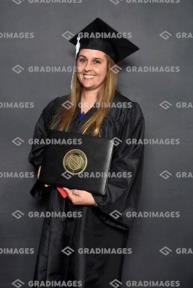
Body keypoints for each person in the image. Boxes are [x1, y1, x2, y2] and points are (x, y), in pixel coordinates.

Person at [28, 18, 145, 287]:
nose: (87, 68)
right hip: (60, 209)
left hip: (96, 218)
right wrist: (44, 171)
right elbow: (40, 150)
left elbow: (128, 166)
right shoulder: (58, 107)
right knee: (52, 274)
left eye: (96, 61)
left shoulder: (127, 112)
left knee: (89, 277)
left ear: (110, 67)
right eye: (82, 60)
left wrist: (94, 199)